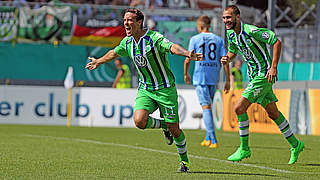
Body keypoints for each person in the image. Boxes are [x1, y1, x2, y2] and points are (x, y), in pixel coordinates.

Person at [85, 8, 203, 172]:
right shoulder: (127, 43)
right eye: (125, 20)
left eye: (130, 20)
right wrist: (98, 61)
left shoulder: (154, 38)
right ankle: (164, 125)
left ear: (139, 22)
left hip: (165, 89)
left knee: (175, 129)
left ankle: (185, 162)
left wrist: (187, 54)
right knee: (139, 121)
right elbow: (114, 53)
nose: (126, 23)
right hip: (146, 89)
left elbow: (171, 47)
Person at [221, 5, 304, 164]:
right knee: (273, 113)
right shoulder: (231, 34)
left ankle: (244, 148)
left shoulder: (252, 31)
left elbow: (276, 42)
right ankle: (296, 144)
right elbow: (233, 52)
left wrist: (273, 67)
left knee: (239, 108)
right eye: (224, 18)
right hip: (253, 77)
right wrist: (227, 58)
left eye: (229, 17)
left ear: (238, 17)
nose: (226, 21)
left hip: (263, 74)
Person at [184, 15, 229, 149]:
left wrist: (186, 73)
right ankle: (208, 138)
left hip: (201, 76)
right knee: (207, 107)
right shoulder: (219, 40)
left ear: (201, 26)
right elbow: (224, 60)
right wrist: (227, 79)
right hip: (213, 75)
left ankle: (214, 139)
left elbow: (188, 57)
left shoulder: (195, 39)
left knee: (206, 108)